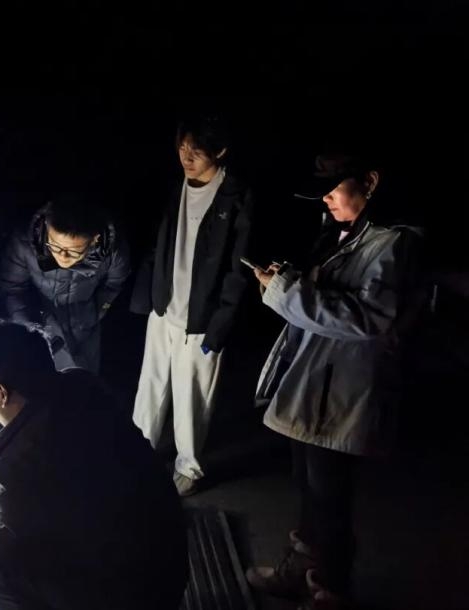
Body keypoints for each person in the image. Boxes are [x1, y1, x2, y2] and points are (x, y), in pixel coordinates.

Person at [245, 152, 424, 609]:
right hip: (314, 381)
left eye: (333, 188)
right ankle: (300, 570)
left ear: (371, 181)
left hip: (344, 389)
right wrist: (285, 282)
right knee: (309, 487)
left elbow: (370, 317)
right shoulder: (344, 231)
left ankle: (331, 589)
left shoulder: (391, 242)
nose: (325, 199)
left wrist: (285, 291)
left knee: (330, 496)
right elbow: (324, 300)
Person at [0, 323, 188, 610]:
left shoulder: (15, 469)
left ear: (1, 393)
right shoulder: (82, 383)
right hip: (169, 559)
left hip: (134, 598)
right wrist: (9, 445)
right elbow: (59, 440)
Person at [131, 113, 255, 496]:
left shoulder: (236, 196)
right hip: (165, 307)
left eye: (196, 151)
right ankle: (138, 452)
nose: (186, 157)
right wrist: (148, 298)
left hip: (202, 318)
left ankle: (189, 467)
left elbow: (239, 268)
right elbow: (158, 244)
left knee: (192, 396)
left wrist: (221, 324)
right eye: (183, 148)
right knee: (150, 387)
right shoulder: (176, 188)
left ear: (220, 151)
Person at [0, 195, 131, 372]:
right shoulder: (25, 242)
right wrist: (32, 328)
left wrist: (96, 312)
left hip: (87, 324)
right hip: (43, 323)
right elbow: (13, 288)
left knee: (87, 379)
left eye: (74, 251)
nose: (62, 256)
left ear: (94, 240)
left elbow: (115, 284)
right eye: (55, 246)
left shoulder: (113, 251)